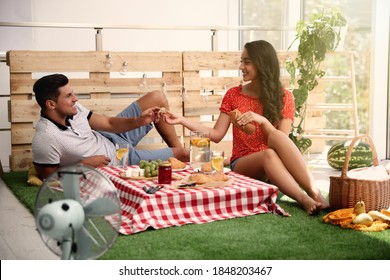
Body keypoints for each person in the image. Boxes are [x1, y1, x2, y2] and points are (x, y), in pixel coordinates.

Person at [162, 40, 329, 215]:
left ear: (262, 64)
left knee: (275, 142)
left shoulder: (285, 97)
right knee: (268, 154)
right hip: (243, 163)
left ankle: (313, 192)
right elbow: (216, 134)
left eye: (247, 62)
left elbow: (282, 142)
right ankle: (304, 199)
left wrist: (263, 121)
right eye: (241, 61)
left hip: (274, 168)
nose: (241, 66)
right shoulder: (234, 95)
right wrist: (181, 120)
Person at [32, 73, 189, 180]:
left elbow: (109, 123)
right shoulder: (46, 137)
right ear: (51, 104)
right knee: (184, 153)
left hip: (110, 137)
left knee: (157, 97)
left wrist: (139, 121)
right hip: (119, 159)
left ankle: (179, 161)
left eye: (72, 93)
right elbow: (47, 177)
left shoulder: (75, 109)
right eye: (68, 96)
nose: (75, 99)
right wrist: (82, 166)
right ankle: (180, 157)